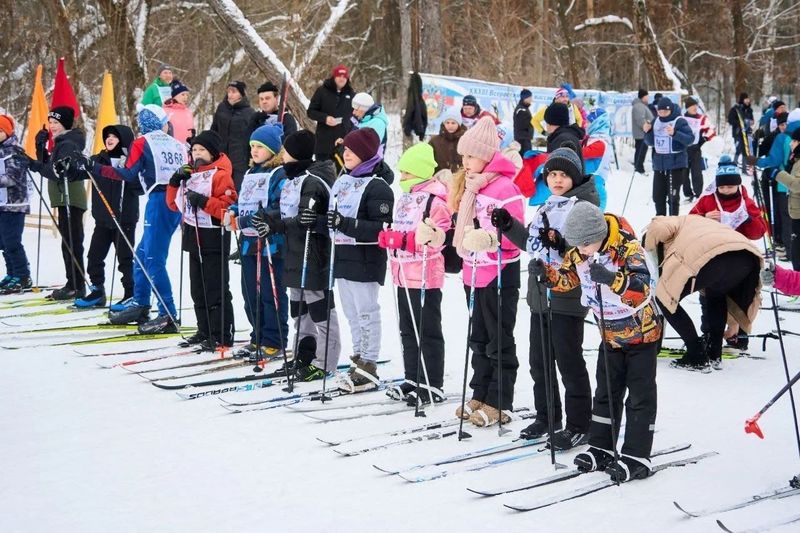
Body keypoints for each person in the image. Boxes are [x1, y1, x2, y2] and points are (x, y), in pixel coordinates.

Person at [534, 202, 661, 482]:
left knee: (639, 396)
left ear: (599, 235)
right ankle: (601, 447)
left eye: (585, 244)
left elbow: (642, 288)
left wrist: (612, 279)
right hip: (609, 335)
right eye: (577, 245)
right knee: (606, 392)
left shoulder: (628, 249)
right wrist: (547, 274)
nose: (581, 251)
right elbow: (567, 279)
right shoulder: (579, 252)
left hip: (641, 335)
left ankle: (637, 456)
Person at [493, 147, 598, 448]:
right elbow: (531, 242)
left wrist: (562, 244)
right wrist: (508, 225)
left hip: (567, 296)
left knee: (568, 362)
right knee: (539, 362)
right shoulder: (547, 206)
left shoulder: (583, 207)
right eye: (552, 174)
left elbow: (586, 248)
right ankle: (547, 416)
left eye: (563, 174)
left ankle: (580, 423)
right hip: (540, 294)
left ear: (574, 177)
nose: (557, 180)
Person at [449, 116, 525, 427]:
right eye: (463, 156)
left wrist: (492, 240)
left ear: (487, 155)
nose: (465, 162)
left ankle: (499, 400)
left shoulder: (505, 188)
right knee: (478, 338)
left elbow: (518, 237)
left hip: (499, 272)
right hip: (473, 271)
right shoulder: (472, 186)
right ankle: (479, 393)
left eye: (471, 156)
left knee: (498, 339)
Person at [91, 104, 187, 334]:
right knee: (142, 256)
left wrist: (96, 167)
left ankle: (168, 314)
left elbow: (127, 174)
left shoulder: (143, 142)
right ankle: (141, 304)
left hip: (159, 201)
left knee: (153, 259)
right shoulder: (177, 143)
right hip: (176, 201)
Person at [377, 142, 452, 405]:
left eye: (407, 172)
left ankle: (432, 383)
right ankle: (413, 377)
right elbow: (399, 229)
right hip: (401, 272)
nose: (402, 177)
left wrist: (407, 241)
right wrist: (389, 237)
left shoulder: (435, 201)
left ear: (420, 172)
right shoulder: (405, 198)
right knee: (407, 330)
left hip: (424, 276)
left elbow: (439, 238)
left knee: (427, 330)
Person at [265, 129, 341, 380]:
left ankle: (326, 361)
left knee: (320, 311)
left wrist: (278, 225)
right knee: (299, 311)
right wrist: (267, 219)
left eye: (286, 151)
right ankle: (304, 354)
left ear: (296, 154)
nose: (282, 155)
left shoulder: (312, 182)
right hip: (294, 253)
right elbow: (287, 213)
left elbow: (304, 219)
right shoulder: (292, 180)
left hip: (313, 255)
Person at [644, 214, 762, 371]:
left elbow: (660, 228)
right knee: (716, 295)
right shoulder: (697, 222)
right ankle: (714, 354)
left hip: (711, 256)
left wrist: (647, 247)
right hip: (746, 256)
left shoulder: (666, 221)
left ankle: (696, 354)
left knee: (663, 299)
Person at [327, 127, 394, 391]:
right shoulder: (343, 181)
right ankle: (358, 358)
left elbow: (380, 229)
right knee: (351, 313)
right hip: (343, 256)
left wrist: (344, 223)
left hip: (365, 259)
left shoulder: (378, 186)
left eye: (352, 150)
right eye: (345, 149)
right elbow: (333, 218)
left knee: (366, 312)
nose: (346, 154)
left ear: (365, 153)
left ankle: (369, 363)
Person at [166, 131, 237, 348]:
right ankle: (204, 329)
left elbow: (227, 209)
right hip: (193, 237)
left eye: (202, 150)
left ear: (212, 153)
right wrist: (174, 182)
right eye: (194, 150)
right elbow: (173, 205)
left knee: (215, 288)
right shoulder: (191, 174)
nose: (197, 153)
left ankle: (221, 333)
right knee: (197, 289)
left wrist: (204, 202)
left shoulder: (221, 175)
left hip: (214, 238)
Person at [226, 124, 288, 360]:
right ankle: (258, 336)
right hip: (248, 243)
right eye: (252, 146)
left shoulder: (279, 174)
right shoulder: (250, 173)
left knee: (271, 294)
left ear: (272, 150)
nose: (254, 150)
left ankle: (274, 340)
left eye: (260, 146)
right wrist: (233, 210)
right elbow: (245, 200)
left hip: (270, 243)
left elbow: (278, 207)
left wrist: (246, 219)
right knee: (250, 293)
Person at [74, 125, 141, 308]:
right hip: (103, 219)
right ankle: (97, 291)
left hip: (124, 220)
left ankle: (131, 294)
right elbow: (78, 174)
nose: (109, 139)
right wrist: (69, 167)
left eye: (114, 136)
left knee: (125, 259)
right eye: (107, 136)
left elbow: (140, 187)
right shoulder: (98, 159)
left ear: (124, 140)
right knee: (94, 257)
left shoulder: (132, 161)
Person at [25, 106, 87, 300]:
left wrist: (32, 164)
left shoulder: (68, 143)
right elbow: (49, 165)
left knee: (72, 242)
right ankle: (73, 283)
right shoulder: (61, 142)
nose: (52, 126)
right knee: (68, 242)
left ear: (65, 124)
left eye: (56, 123)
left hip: (70, 197)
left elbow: (56, 173)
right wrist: (40, 147)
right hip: (63, 197)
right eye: (51, 122)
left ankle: (77, 285)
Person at [643, 97, 694, 216]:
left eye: (665, 111)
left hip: (675, 165)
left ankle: (673, 222)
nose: (662, 114)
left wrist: (675, 133)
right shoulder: (656, 121)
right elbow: (650, 142)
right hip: (659, 165)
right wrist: (648, 132)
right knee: (657, 196)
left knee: (673, 198)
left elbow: (690, 139)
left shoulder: (679, 121)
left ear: (670, 110)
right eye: (660, 111)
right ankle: (660, 221)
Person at [0, 114, 32, 294]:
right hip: (2, 204)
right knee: (3, 242)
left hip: (14, 205)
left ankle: (22, 275)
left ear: (7, 132)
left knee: (12, 242)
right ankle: (12, 273)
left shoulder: (15, 151)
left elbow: (12, 178)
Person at [758, 114, 793, 261]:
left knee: (785, 216)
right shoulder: (776, 136)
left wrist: (757, 162)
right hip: (785, 183)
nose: (784, 127)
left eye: (786, 124)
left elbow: (774, 159)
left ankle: (788, 249)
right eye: (781, 124)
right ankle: (785, 245)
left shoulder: (783, 138)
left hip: (784, 184)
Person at [306, 64, 354, 165]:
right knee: (322, 171)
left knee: (340, 173)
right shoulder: (322, 91)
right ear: (334, 77)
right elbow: (310, 112)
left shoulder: (351, 94)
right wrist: (325, 118)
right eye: (339, 76)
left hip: (343, 144)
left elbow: (355, 117)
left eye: (344, 76)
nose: (342, 79)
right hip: (324, 144)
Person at [210, 81, 255, 188]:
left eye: (234, 91)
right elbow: (214, 130)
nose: (230, 94)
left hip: (240, 162)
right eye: (229, 91)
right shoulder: (222, 108)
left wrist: (251, 159)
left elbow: (252, 138)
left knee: (237, 189)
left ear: (241, 94)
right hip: (220, 159)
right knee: (220, 189)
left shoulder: (249, 112)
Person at [682, 96, 716, 201]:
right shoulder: (682, 118)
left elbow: (711, 130)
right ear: (687, 107)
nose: (695, 107)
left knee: (696, 172)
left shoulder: (701, 118)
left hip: (695, 149)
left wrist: (704, 139)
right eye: (692, 106)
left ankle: (698, 194)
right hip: (683, 150)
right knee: (683, 173)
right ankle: (688, 194)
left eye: (696, 105)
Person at [776, 128, 800, 270]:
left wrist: (778, 174)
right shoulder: (796, 161)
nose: (791, 143)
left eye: (795, 141)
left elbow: (797, 185)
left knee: (797, 255)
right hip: (796, 214)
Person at [429, 109, 466, 173]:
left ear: (459, 124)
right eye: (447, 122)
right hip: (439, 176)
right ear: (444, 124)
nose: (450, 126)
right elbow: (429, 160)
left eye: (453, 123)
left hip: (460, 176)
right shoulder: (435, 141)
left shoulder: (465, 140)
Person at [727, 92, 754, 167]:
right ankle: (734, 165)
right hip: (738, 132)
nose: (747, 101)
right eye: (746, 99)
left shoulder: (749, 109)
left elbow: (752, 120)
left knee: (746, 151)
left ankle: (744, 169)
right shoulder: (735, 109)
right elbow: (730, 120)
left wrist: (750, 122)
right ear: (742, 100)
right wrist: (740, 123)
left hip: (747, 132)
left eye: (748, 99)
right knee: (738, 149)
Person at [631, 89, 653, 174]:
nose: (648, 98)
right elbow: (640, 119)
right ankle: (639, 168)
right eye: (647, 96)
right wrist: (646, 126)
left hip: (642, 133)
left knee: (641, 150)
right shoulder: (639, 106)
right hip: (641, 134)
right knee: (641, 151)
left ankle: (639, 167)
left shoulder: (641, 105)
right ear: (643, 97)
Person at [513, 89, 534, 156]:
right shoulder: (522, 110)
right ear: (525, 98)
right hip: (522, 140)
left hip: (525, 138)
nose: (531, 99)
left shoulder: (524, 108)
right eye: (530, 97)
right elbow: (522, 125)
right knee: (525, 158)